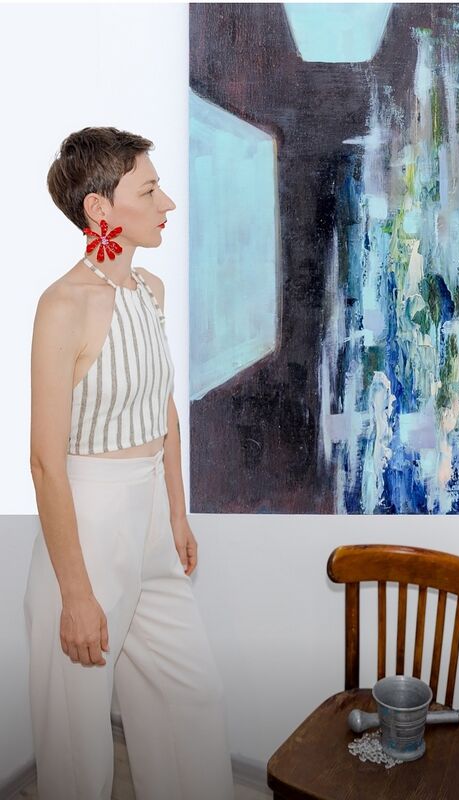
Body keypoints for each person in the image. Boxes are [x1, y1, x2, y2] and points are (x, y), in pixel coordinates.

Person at [24, 127, 235, 800]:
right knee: (77, 747)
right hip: (86, 529)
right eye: (148, 190)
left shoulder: (151, 290)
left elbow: (163, 410)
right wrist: (76, 596)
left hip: (148, 521)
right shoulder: (63, 306)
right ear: (99, 209)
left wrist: (176, 514)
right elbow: (44, 461)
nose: (166, 203)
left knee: (190, 699)